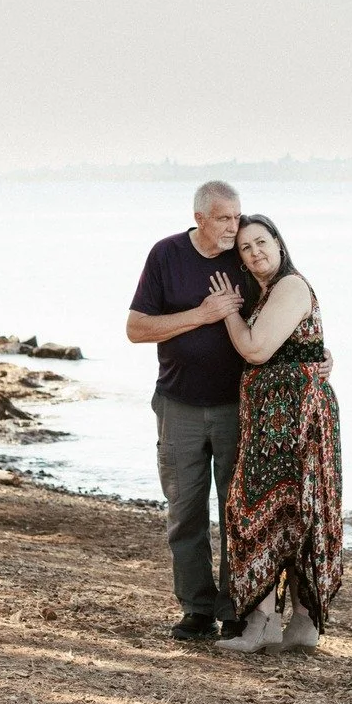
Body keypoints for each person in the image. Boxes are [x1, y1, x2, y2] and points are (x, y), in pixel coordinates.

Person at [212, 213, 343, 654]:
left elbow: (256, 348)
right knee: (274, 514)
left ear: (280, 244)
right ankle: (277, 624)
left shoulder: (290, 286)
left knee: (289, 513)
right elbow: (300, 345)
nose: (255, 252)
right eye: (246, 248)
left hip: (299, 422)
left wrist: (229, 312)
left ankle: (281, 624)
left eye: (262, 242)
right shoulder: (266, 292)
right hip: (272, 423)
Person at [126, 180, 249, 641]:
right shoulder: (166, 255)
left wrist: (317, 354)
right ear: (200, 217)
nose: (233, 228)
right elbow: (137, 329)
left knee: (238, 511)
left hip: (237, 406)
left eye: (237, 217)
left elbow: (286, 307)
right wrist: (203, 314)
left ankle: (236, 608)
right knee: (185, 512)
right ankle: (197, 609)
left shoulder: (247, 257)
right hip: (177, 404)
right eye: (224, 218)